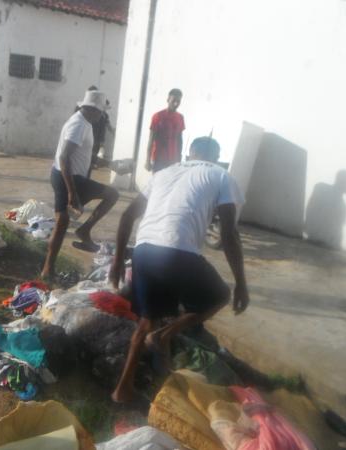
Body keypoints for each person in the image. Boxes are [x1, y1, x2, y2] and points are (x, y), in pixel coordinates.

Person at [109, 136, 249, 403]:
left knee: (146, 320)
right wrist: (241, 282)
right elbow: (229, 233)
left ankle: (122, 390)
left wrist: (118, 261)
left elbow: (127, 216)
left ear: (190, 153)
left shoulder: (164, 172)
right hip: (178, 253)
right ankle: (164, 336)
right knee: (220, 296)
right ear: (215, 157)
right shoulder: (221, 175)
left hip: (144, 250)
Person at [41, 90, 119, 279]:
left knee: (63, 223)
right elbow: (64, 157)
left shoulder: (83, 121)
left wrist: (108, 164)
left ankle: (50, 267)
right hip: (68, 178)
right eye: (102, 112)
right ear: (93, 110)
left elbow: (80, 154)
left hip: (71, 177)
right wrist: (71, 192)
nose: (102, 116)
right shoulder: (79, 125)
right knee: (111, 195)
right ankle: (47, 269)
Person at [145, 88, 185, 172]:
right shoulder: (157, 116)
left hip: (173, 160)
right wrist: (147, 160)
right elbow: (151, 140)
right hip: (159, 159)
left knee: (170, 184)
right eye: (173, 100)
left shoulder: (180, 118)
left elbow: (180, 140)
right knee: (157, 183)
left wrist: (179, 158)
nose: (175, 103)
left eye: (178, 101)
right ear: (168, 99)